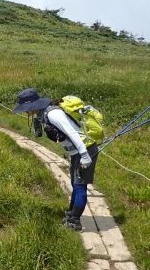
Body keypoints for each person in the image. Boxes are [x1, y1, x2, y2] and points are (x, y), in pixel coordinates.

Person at [13, 88, 99, 231]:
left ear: (33, 105)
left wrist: (84, 156)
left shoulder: (53, 114)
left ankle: (74, 222)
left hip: (85, 150)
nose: (25, 111)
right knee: (74, 183)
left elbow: (73, 134)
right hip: (76, 152)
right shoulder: (43, 113)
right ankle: (71, 214)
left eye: (26, 108)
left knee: (80, 185)